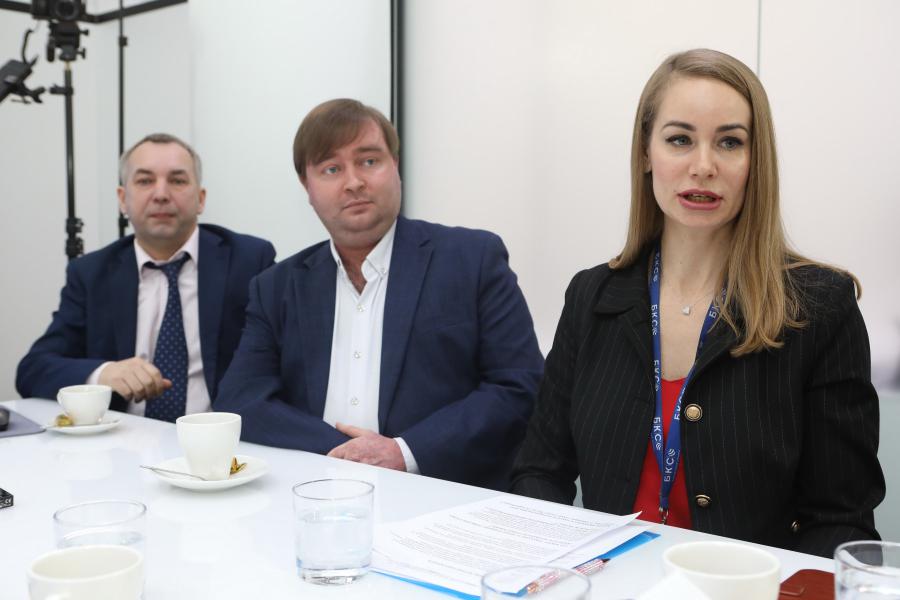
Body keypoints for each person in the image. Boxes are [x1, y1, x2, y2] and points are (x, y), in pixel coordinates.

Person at [510, 49, 885, 558]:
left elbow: (840, 522)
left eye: (729, 142)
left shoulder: (820, 308)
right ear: (646, 154)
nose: (703, 166)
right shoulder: (592, 297)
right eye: (680, 140)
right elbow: (538, 473)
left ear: (755, 162)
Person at [215, 99, 543, 490]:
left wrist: (403, 452)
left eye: (369, 161)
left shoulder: (472, 259)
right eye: (331, 169)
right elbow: (242, 401)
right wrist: (348, 452)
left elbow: (518, 386)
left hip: (443, 494)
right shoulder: (276, 286)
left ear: (395, 167)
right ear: (307, 187)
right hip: (315, 493)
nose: (354, 182)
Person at [16, 133, 276, 421]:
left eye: (177, 181)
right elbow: (33, 369)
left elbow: (280, 365)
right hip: (123, 436)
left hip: (216, 436)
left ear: (201, 199)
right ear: (122, 199)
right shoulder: (91, 273)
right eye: (145, 181)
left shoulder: (249, 261)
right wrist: (104, 373)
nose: (161, 194)